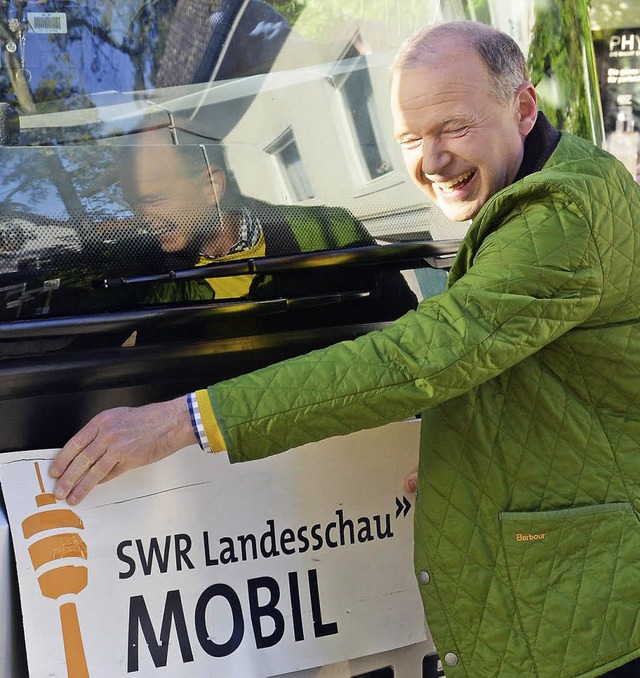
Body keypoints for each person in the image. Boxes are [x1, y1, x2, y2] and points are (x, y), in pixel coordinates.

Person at [49, 20, 640, 677]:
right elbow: (527, 367)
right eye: (411, 140)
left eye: (453, 129)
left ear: (523, 108)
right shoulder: (550, 183)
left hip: (584, 623)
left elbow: (417, 356)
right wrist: (464, 458)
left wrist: (183, 420)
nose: (433, 161)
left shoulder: (558, 214)